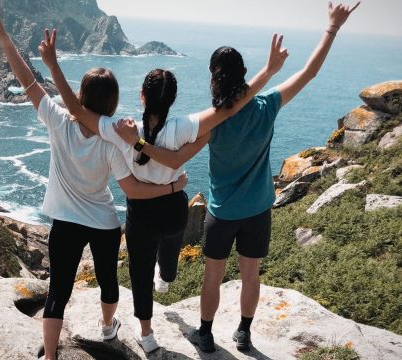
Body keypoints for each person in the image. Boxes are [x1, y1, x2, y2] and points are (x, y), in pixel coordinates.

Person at [112, 1, 361, 353]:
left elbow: (174, 158)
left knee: (212, 277)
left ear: (214, 77)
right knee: (250, 274)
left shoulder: (214, 122)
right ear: (244, 72)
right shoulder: (268, 105)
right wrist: (331, 28)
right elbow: (309, 73)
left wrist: (137, 143)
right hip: (258, 209)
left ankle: (206, 333)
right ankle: (244, 332)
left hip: (222, 212)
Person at [39, 28, 287, 353]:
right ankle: (167, 275)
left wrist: (54, 65)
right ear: (173, 99)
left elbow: (75, 108)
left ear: (142, 96)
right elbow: (229, 108)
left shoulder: (123, 130)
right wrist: (267, 71)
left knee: (139, 276)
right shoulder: (184, 126)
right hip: (174, 209)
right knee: (168, 257)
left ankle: (146, 334)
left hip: (141, 213)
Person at [0, 1, 189, 360]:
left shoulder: (57, 120)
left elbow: (27, 81)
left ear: (80, 96)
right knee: (109, 283)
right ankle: (109, 329)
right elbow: (132, 191)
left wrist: (2, 36)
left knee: (58, 291)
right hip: (104, 223)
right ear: (111, 103)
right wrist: (172, 186)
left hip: (65, 222)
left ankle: (49, 357)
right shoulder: (112, 142)